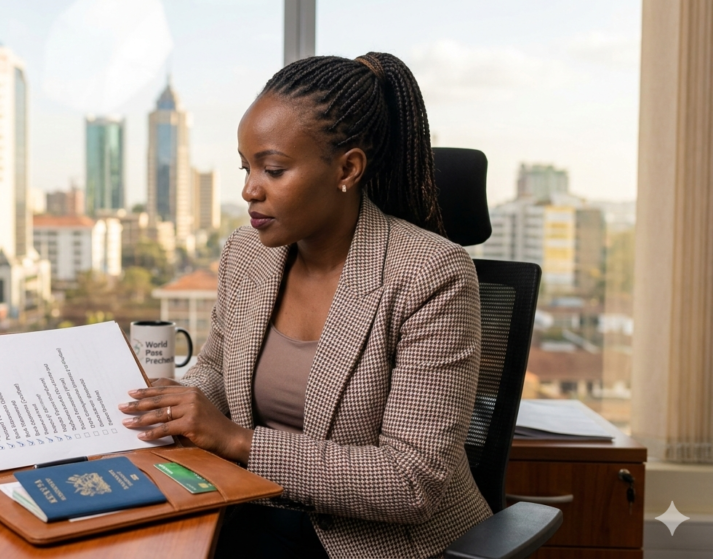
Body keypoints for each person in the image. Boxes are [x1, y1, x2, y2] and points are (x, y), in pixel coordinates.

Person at [118, 52, 491, 558]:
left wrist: (237, 442)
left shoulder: (431, 274)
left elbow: (411, 481)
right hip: (252, 512)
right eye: (246, 167)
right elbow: (216, 375)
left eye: (272, 169)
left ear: (347, 168)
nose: (249, 189)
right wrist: (167, 406)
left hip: (372, 543)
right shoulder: (246, 254)